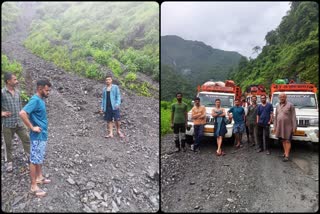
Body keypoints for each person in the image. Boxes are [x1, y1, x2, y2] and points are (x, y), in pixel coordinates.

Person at [19, 79, 52, 197]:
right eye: (47, 90)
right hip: (37, 136)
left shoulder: (41, 100)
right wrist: (32, 127)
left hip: (42, 135)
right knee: (34, 159)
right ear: (40, 88)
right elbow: (22, 113)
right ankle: (33, 186)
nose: (48, 92)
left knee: (39, 158)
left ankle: (39, 177)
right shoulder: (35, 100)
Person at [1, 72, 30, 173]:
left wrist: (24, 116)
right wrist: (2, 113)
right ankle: (9, 162)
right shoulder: (2, 93)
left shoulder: (17, 92)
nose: (17, 81)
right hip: (8, 124)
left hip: (19, 122)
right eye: (14, 79)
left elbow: (20, 106)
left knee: (26, 139)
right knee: (8, 144)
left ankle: (29, 156)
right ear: (8, 81)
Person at [273, 93, 297, 162]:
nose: (282, 98)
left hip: (288, 127)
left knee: (287, 141)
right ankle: (285, 152)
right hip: (280, 127)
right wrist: (275, 126)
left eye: (283, 97)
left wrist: (294, 127)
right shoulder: (277, 106)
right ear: (279, 98)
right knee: (283, 140)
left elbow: (293, 117)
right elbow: (276, 117)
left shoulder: (290, 105)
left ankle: (287, 155)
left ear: (286, 97)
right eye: (281, 97)